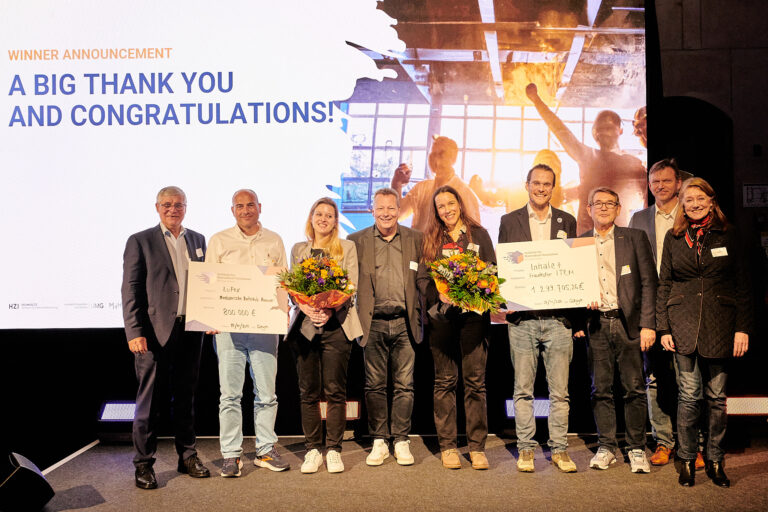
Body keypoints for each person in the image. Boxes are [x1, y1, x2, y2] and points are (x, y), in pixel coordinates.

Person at [657, 177, 752, 487]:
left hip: (720, 325)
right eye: (688, 200)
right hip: (682, 325)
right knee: (688, 396)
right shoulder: (674, 237)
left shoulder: (729, 234)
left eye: (700, 198)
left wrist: (743, 329)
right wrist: (663, 327)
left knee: (716, 398)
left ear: (712, 201)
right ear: (682, 205)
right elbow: (665, 284)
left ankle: (714, 459)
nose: (694, 204)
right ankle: (685, 459)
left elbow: (742, 286)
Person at [121, 186, 210, 489]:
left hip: (191, 330)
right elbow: (130, 290)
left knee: (186, 397)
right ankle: (144, 464)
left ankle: (187, 456)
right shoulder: (140, 241)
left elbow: (207, 285)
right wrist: (134, 332)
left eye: (179, 205)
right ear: (157, 207)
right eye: (168, 204)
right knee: (150, 402)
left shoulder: (197, 240)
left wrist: (212, 316)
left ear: (186, 207)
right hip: (153, 334)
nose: (173, 209)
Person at [498, 164, 582, 473]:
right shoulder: (509, 221)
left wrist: (577, 319)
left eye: (547, 184)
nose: (541, 188)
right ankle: (526, 450)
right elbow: (504, 265)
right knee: (523, 390)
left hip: (559, 320)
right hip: (523, 319)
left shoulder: (567, 221)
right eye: (536, 183)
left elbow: (573, 269)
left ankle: (559, 450)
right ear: (527, 184)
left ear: (554, 187)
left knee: (560, 391)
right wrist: (506, 298)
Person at [205, 189, 290, 477]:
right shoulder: (219, 240)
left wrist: (284, 312)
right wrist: (210, 316)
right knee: (229, 396)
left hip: (265, 329)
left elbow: (283, 281)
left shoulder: (275, 239)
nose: (245, 210)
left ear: (259, 207)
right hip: (228, 330)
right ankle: (231, 455)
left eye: (250, 205)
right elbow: (209, 282)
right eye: (239, 206)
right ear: (232, 210)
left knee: (267, 394)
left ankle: (265, 450)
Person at [416, 185, 494, 470]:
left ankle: (476, 448)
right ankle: (448, 446)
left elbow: (492, 271)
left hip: (474, 320)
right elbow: (423, 279)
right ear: (435, 212)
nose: (447, 210)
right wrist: (439, 295)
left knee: (475, 384)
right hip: (442, 320)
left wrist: (478, 291)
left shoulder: (480, 235)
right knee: (445, 382)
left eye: (451, 204)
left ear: (460, 204)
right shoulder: (430, 239)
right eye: (441, 207)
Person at [581, 187, 657, 474]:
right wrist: (579, 319)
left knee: (634, 388)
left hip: (630, 325)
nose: (603, 207)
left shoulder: (635, 237)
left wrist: (648, 324)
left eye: (609, 203)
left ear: (618, 208)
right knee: (599, 389)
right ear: (588, 209)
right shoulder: (579, 244)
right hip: (596, 324)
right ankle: (606, 446)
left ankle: (636, 448)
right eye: (597, 203)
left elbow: (650, 283)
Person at [286, 198, 363, 474]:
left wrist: (329, 310)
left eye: (329, 215)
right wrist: (305, 306)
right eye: (318, 214)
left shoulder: (347, 248)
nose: (323, 219)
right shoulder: (298, 249)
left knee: (335, 392)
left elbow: (350, 284)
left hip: (336, 327)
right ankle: (312, 450)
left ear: (335, 220)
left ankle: (334, 449)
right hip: (305, 327)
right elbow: (293, 286)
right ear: (311, 218)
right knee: (308, 392)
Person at [348, 188, 423, 467]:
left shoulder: (416, 239)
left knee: (405, 385)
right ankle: (379, 439)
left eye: (391, 208)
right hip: (373, 322)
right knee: (374, 385)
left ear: (399, 209)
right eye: (380, 208)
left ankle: (401, 439)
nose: (386, 214)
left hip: (405, 323)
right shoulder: (355, 241)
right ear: (372, 209)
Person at [525, 82, 646, 232]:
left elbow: (649, 198)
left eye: (608, 128)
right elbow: (560, 130)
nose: (603, 133)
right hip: (585, 241)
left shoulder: (631, 164)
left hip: (616, 239)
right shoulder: (587, 156)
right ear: (594, 133)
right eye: (599, 129)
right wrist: (536, 100)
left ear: (619, 131)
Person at [628, 158, 683, 466]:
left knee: (690, 379)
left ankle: (694, 443)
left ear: (678, 184)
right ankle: (663, 441)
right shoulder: (638, 218)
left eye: (666, 181)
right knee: (655, 378)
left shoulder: (690, 214)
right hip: (650, 308)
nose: (660, 186)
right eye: (655, 182)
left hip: (685, 306)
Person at [391, 135, 481, 232]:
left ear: (453, 158)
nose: (436, 160)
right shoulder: (421, 189)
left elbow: (474, 238)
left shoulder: (465, 195)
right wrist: (396, 184)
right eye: (433, 155)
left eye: (442, 155)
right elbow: (398, 214)